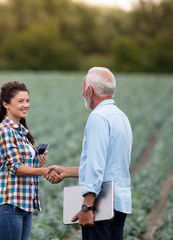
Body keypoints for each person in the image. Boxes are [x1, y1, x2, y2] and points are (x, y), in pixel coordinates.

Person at [48, 67, 133, 240]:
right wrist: (66, 171)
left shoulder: (98, 117)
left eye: (83, 88)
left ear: (90, 90)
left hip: (100, 207)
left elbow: (96, 166)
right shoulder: (121, 116)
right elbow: (110, 165)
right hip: (119, 204)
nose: (82, 93)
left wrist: (87, 207)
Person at [0, 81, 60, 240]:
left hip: (24, 202)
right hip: (10, 203)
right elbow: (17, 168)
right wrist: (45, 171)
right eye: (20, 101)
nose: (26, 105)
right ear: (6, 104)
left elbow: (21, 165)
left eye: (27, 100)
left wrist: (37, 163)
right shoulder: (6, 131)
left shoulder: (20, 132)